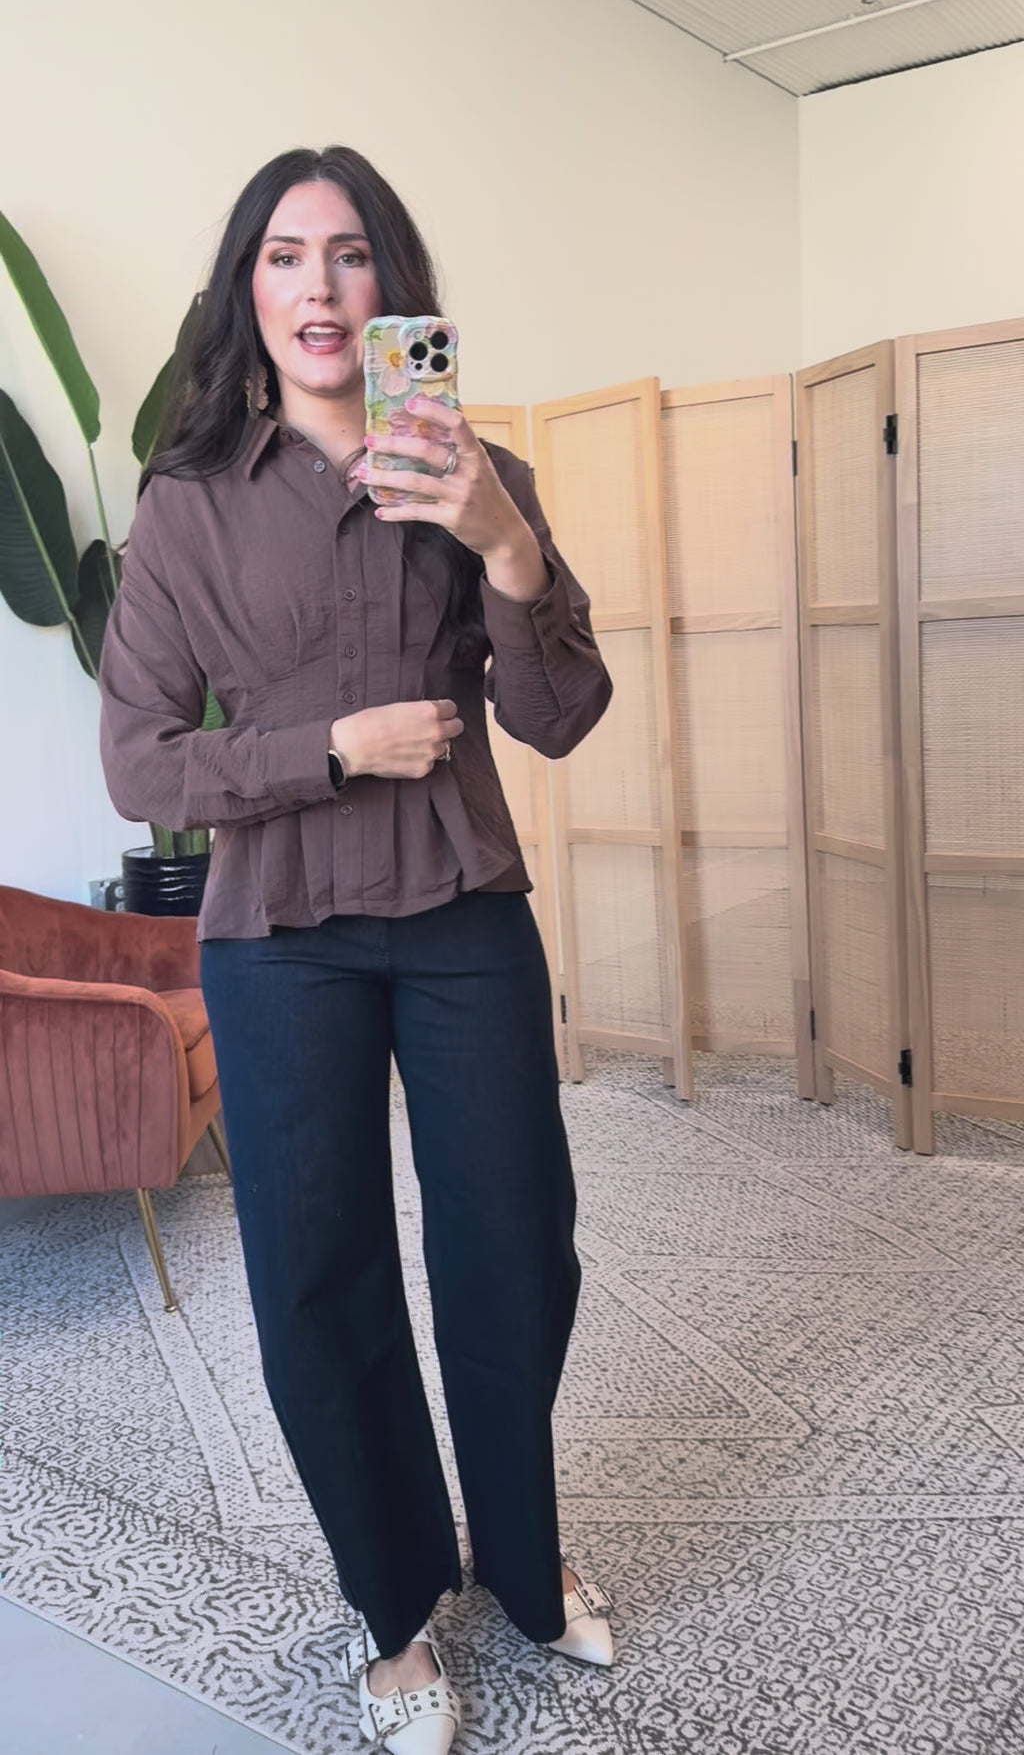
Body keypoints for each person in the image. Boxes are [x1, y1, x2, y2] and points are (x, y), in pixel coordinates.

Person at [99, 146, 613, 1755]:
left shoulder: (478, 470)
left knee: (515, 1251)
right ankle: (391, 1617)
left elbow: (561, 714)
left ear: (393, 285)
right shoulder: (187, 505)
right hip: (279, 941)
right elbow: (138, 761)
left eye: (347, 254)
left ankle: (520, 1559)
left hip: (462, 911)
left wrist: (505, 543)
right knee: (319, 1276)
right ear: (246, 292)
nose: (318, 287)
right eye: (283, 256)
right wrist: (330, 750)